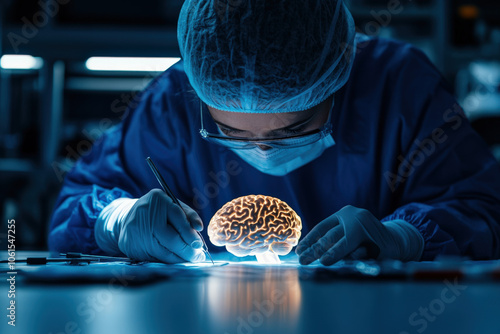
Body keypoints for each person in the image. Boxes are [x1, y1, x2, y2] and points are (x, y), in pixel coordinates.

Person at [49, 0, 500, 265]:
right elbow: (75, 206)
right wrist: (118, 220)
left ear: (338, 79)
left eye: (296, 127)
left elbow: (483, 208)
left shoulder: (399, 87)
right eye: (230, 132)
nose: (263, 150)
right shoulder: (173, 101)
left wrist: (405, 237)